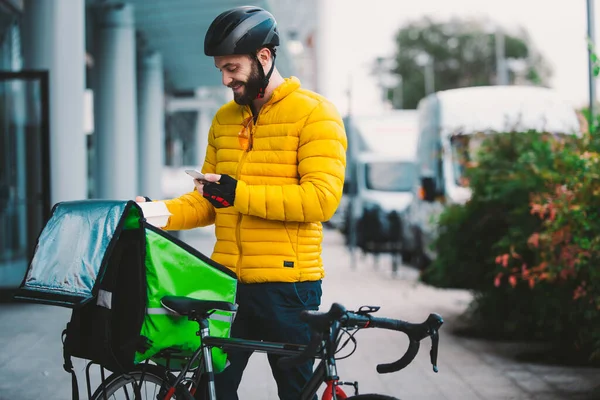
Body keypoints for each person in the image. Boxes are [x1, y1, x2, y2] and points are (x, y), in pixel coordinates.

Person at [138, 5, 347, 400]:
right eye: (221, 69)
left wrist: (238, 194)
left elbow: (320, 201)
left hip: (290, 289)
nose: (225, 79)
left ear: (263, 57)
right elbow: (206, 203)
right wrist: (152, 211)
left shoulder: (316, 115)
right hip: (229, 285)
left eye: (232, 68)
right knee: (210, 391)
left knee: (297, 392)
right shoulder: (223, 119)